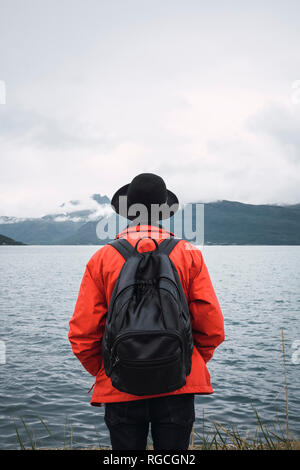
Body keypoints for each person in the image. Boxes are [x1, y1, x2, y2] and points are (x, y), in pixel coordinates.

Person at [68, 173, 225, 450]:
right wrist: (182, 361)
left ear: (129, 211)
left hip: (120, 386)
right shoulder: (189, 253)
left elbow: (83, 334)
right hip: (179, 382)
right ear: (164, 212)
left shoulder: (102, 258)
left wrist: (110, 368)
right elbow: (211, 327)